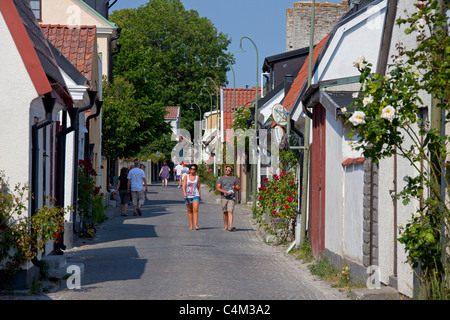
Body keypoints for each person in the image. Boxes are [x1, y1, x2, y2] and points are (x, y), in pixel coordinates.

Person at [216, 165, 240, 231]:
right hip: (224, 197)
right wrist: (223, 191)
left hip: (231, 198)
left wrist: (235, 187)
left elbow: (238, 188)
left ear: (231, 171)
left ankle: (230, 226)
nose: (227, 171)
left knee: (230, 211)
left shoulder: (234, 179)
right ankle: (226, 226)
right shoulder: (221, 179)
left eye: (229, 170)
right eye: (226, 169)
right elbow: (217, 188)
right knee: (225, 212)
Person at [182, 164, 201, 230]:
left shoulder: (197, 177)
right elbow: (183, 186)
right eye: (192, 168)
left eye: (194, 169)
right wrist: (184, 193)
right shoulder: (186, 177)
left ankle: (196, 225)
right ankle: (191, 225)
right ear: (189, 170)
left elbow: (198, 187)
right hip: (187, 195)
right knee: (189, 210)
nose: (193, 170)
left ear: (195, 170)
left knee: (195, 209)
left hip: (196, 195)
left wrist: (200, 196)